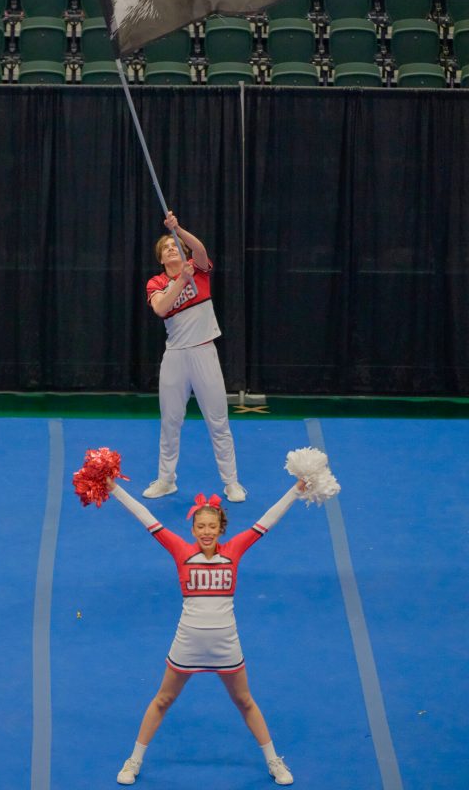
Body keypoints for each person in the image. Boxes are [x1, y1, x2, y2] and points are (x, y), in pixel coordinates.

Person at [106, 475, 306, 786]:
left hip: (227, 644)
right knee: (162, 700)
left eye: (212, 527)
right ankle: (133, 761)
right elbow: (146, 517)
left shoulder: (235, 550)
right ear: (193, 529)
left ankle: (273, 761)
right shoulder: (181, 551)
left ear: (221, 528)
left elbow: (267, 520)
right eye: (201, 527)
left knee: (245, 701)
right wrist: (114, 488)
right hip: (187, 643)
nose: (207, 532)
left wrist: (296, 490)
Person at [144, 211, 246, 503]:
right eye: (166, 249)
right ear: (161, 259)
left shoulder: (197, 268)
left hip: (204, 351)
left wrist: (177, 228)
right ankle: (166, 480)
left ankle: (231, 483)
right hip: (175, 356)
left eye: (175, 245)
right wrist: (180, 281)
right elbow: (161, 308)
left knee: (218, 420)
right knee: (170, 421)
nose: (172, 249)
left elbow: (200, 250)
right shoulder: (156, 283)